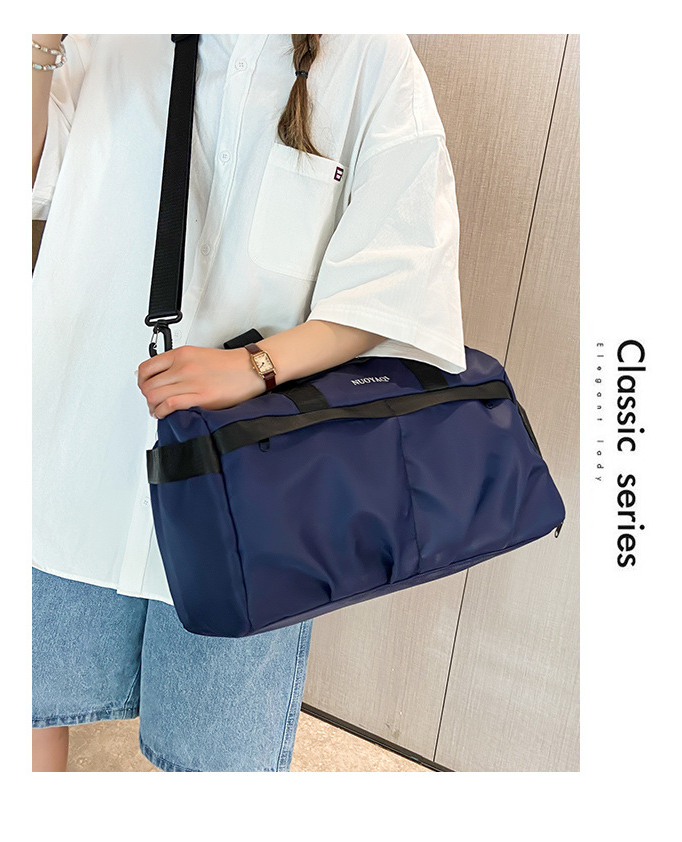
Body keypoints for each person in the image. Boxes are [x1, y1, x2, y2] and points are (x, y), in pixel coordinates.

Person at [31, 33, 467, 773]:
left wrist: (257, 366)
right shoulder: (104, 35)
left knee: (218, 758)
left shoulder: (368, 52)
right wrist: (39, 40)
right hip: (76, 436)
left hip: (246, 481)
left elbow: (400, 275)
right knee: (29, 699)